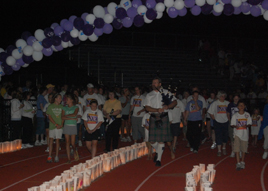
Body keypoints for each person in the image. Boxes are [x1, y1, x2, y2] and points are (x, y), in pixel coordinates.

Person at [144, 77, 177, 167]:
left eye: (155, 82)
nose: (153, 84)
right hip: (154, 117)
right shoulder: (149, 95)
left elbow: (175, 102)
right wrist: (156, 110)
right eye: (153, 83)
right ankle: (158, 152)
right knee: (152, 141)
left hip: (164, 117)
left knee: (161, 141)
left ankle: (158, 159)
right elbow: (146, 107)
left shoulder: (166, 92)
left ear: (160, 84)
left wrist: (168, 106)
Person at [231, 101, 252, 170]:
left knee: (244, 149)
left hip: (245, 134)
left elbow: (250, 123)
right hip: (237, 134)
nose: (241, 106)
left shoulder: (247, 115)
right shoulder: (235, 115)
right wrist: (235, 126)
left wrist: (247, 125)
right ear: (238, 107)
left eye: (242, 105)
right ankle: (238, 162)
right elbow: (232, 124)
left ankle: (242, 161)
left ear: (244, 106)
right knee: (237, 149)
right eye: (240, 105)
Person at [208, 91, 229, 157]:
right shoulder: (215, 103)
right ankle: (219, 150)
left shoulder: (227, 103)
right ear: (219, 96)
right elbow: (210, 111)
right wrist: (214, 118)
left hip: (226, 121)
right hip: (217, 122)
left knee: (225, 136)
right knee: (218, 136)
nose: (223, 97)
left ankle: (224, 148)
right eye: (221, 96)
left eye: (224, 96)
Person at [46, 93, 63, 163]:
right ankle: (49, 155)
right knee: (51, 140)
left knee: (57, 141)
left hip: (59, 126)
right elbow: (49, 117)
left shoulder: (62, 107)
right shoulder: (50, 106)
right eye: (59, 98)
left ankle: (56, 156)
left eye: (61, 98)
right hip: (53, 126)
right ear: (55, 99)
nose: (60, 99)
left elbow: (63, 117)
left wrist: (61, 124)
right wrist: (55, 124)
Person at [62, 94, 79, 164]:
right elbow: (62, 117)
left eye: (67, 99)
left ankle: (75, 151)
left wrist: (66, 116)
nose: (66, 101)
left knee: (72, 143)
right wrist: (71, 118)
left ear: (71, 100)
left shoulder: (76, 107)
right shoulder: (64, 108)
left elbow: (74, 114)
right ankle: (69, 159)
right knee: (67, 142)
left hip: (73, 126)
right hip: (66, 125)